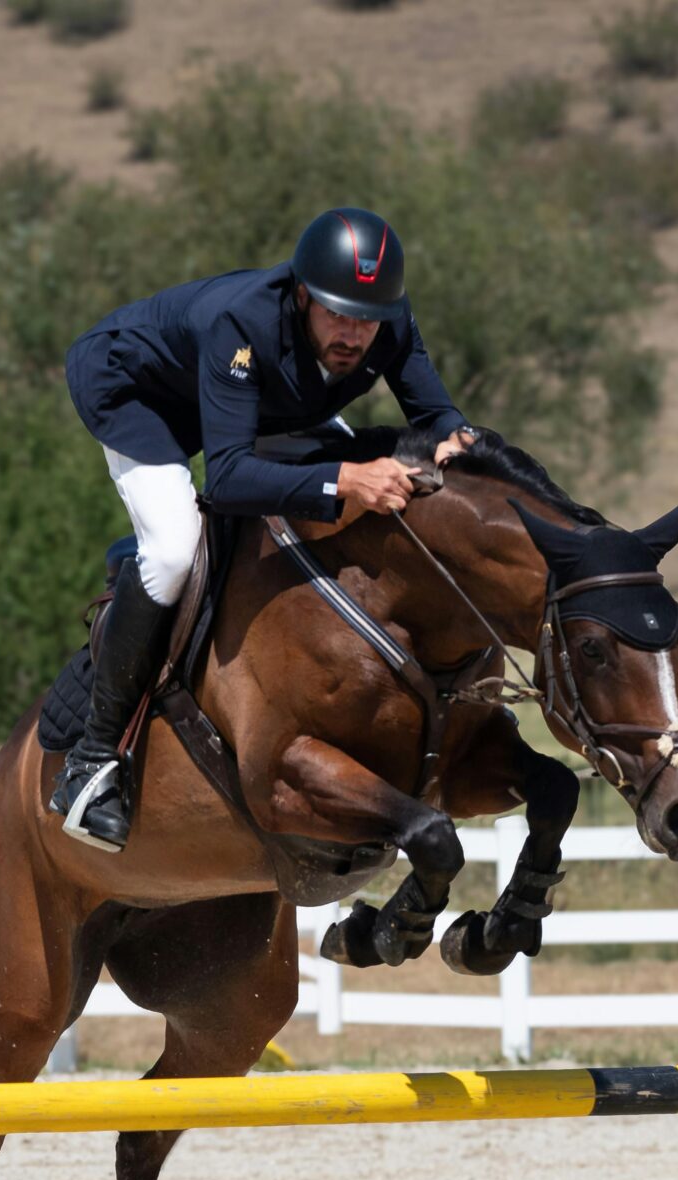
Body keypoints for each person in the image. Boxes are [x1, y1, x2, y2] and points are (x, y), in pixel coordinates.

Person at [53, 206, 476, 851]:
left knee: (374, 462)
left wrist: (457, 440)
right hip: (138, 392)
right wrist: (346, 481)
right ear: (302, 294)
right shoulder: (241, 323)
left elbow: (435, 412)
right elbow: (226, 479)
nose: (353, 334)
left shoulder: (385, 319)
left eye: (366, 320)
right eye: (337, 314)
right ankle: (93, 761)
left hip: (249, 397)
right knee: (173, 550)